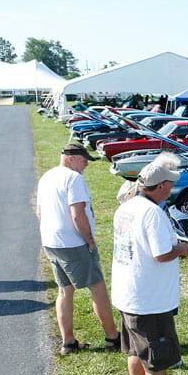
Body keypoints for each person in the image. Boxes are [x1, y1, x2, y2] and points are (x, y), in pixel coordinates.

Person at [112, 164, 188, 375]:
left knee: (135, 351)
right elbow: (161, 254)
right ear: (161, 186)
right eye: (170, 184)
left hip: (128, 294)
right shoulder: (153, 214)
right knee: (157, 357)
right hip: (149, 299)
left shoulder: (126, 207)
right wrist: (181, 249)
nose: (172, 189)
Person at [36, 143, 120, 355]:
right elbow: (77, 215)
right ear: (71, 158)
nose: (85, 166)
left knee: (65, 291)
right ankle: (113, 337)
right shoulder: (73, 179)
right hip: (73, 244)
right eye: (84, 161)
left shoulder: (46, 177)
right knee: (98, 288)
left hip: (51, 242)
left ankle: (68, 342)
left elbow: (39, 211)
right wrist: (89, 241)